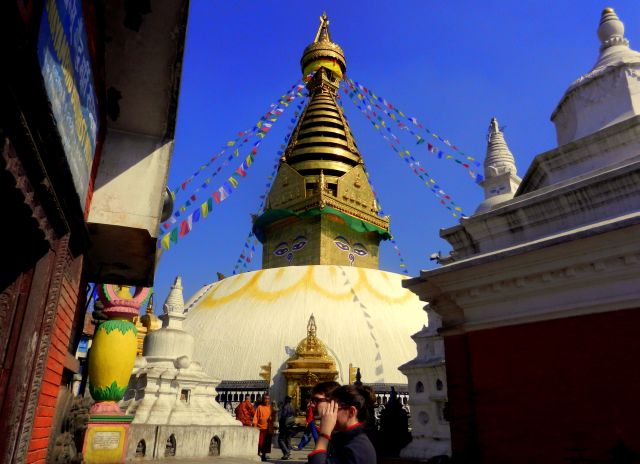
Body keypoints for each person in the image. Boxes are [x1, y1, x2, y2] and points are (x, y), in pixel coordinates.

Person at [308, 385, 377, 464]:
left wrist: (324, 434)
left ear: (351, 412)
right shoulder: (344, 438)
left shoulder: (358, 447)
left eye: (334, 409)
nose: (331, 413)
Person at [298, 381, 340, 450]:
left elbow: (319, 460)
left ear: (333, 401)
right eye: (312, 400)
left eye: (317, 400)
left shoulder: (344, 437)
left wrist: (324, 435)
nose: (313, 405)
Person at [253, 393, 274, 461]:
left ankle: (264, 455)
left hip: (268, 428)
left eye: (268, 399)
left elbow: (274, 417)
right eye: (265, 399)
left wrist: (272, 418)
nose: (266, 400)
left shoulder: (271, 408)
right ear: (263, 399)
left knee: (266, 444)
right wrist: (255, 424)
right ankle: (258, 453)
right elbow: (256, 416)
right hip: (260, 428)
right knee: (260, 443)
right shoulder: (260, 407)